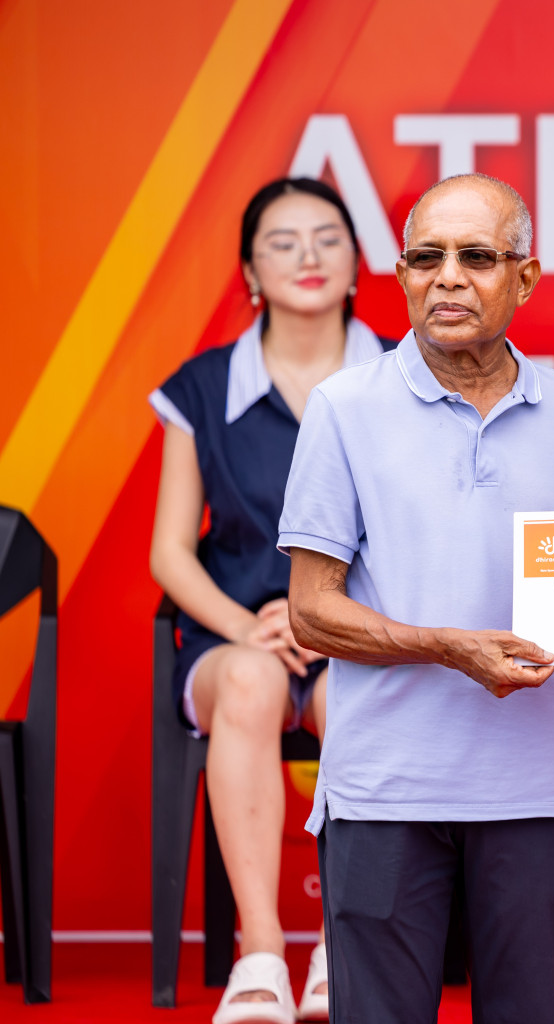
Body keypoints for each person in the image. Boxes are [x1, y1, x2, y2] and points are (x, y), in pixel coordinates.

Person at [279, 172, 554, 1024]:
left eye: (477, 257)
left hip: (536, 796)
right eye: (426, 258)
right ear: (399, 276)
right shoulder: (343, 408)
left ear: (526, 277)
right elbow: (312, 610)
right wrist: (447, 646)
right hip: (383, 793)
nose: (448, 278)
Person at [149, 177, 389, 1024]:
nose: (308, 256)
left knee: (359, 698)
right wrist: (252, 623)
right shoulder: (201, 387)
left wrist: (335, 618)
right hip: (235, 636)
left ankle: (341, 945)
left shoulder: (405, 376)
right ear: (249, 270)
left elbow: (431, 540)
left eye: (327, 237)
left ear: (359, 261)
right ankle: (260, 954)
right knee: (251, 685)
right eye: (281, 242)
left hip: (365, 636)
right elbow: (170, 552)